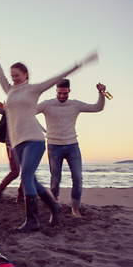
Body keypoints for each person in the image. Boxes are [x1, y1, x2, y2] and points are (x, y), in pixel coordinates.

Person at [0, 48, 96, 232]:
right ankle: (54, 207)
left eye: (17, 75)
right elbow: (0, 76)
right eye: (12, 75)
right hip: (17, 142)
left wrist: (79, 64)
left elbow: (56, 77)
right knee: (33, 181)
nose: (13, 78)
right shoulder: (10, 91)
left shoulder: (33, 89)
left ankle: (33, 221)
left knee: (27, 176)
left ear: (26, 75)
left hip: (34, 139)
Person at [37, 79, 106, 217]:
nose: (62, 96)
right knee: (55, 180)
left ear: (69, 91)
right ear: (56, 91)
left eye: (65, 93)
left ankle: (75, 209)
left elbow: (97, 107)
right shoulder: (47, 104)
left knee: (78, 178)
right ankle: (55, 202)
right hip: (53, 146)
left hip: (72, 146)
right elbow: (28, 113)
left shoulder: (75, 104)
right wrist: (41, 130)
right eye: (59, 93)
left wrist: (101, 94)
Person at [0, 81, 24, 202]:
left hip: (24, 141)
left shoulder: (25, 108)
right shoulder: (5, 109)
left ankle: (21, 195)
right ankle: (0, 189)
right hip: (11, 143)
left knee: (28, 170)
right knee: (15, 172)